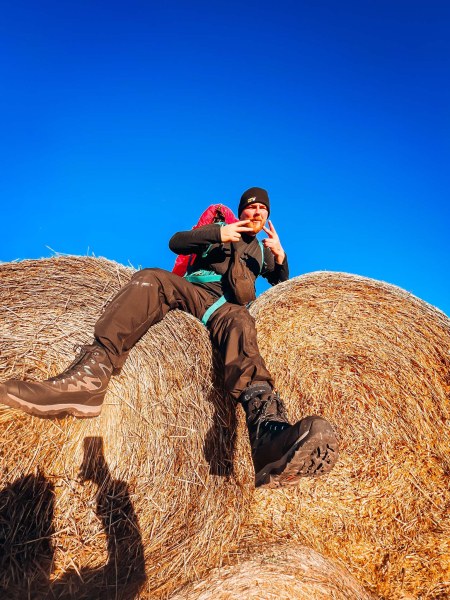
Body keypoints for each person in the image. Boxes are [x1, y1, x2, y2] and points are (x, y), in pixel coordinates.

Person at [0, 187, 338, 488]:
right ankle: (90, 377)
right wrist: (219, 232)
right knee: (151, 279)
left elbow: (281, 282)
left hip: (226, 309)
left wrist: (281, 257)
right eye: (250, 208)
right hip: (192, 291)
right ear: (241, 211)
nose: (255, 213)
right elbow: (176, 242)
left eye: (261, 209)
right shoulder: (221, 227)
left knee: (242, 323)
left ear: (267, 216)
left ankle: (267, 435)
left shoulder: (260, 251)